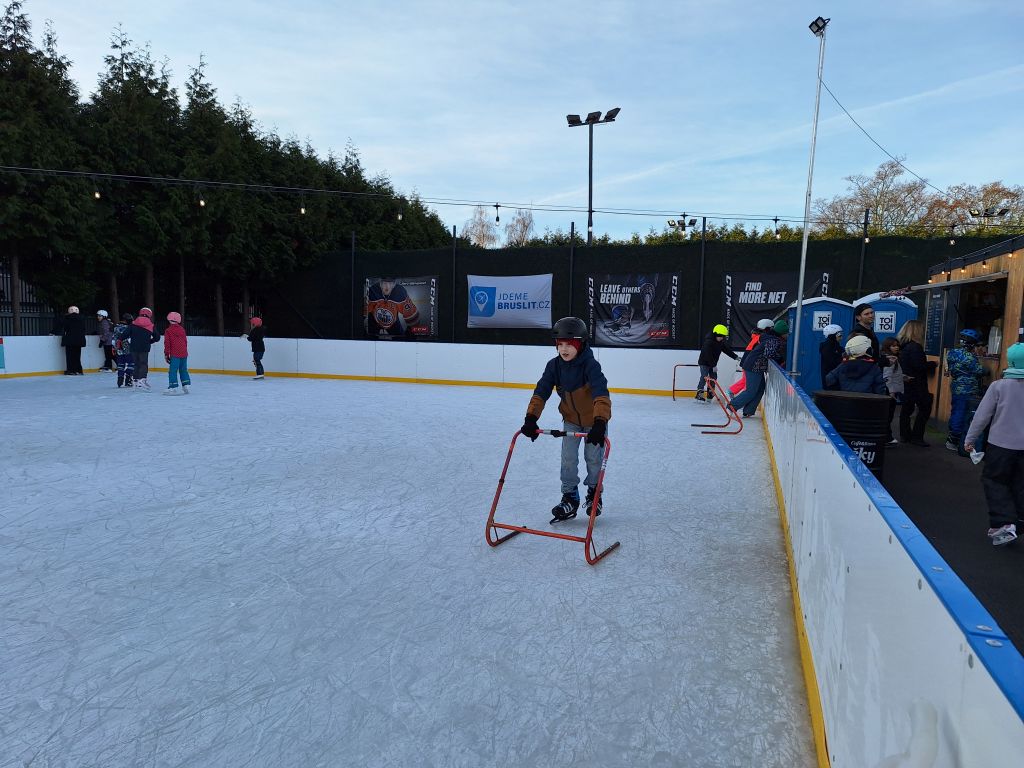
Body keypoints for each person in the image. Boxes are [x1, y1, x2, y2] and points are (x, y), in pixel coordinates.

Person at [520, 317, 612, 523]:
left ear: (580, 344)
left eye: (569, 344)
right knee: (568, 459)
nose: (564, 349)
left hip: (594, 422)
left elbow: (601, 394)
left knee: (593, 459)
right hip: (570, 419)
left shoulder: (591, 366)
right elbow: (541, 391)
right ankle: (570, 497)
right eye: (560, 344)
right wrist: (531, 417)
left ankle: (594, 495)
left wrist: (600, 422)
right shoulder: (554, 366)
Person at [965, 342, 1024, 547]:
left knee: (994, 481)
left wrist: (970, 439)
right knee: (1019, 483)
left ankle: (1004, 523)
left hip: (1000, 445)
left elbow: (982, 416)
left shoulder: (999, 386)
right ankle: (1019, 521)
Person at [728, 319, 789, 418]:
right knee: (751, 391)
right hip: (753, 366)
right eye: (786, 333)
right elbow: (769, 354)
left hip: (757, 367)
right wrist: (781, 360)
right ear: (782, 333)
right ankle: (732, 406)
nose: (787, 336)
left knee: (760, 389)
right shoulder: (773, 340)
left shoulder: (770, 338)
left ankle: (748, 410)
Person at [944, 329, 985, 452]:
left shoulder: (952, 353)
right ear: (972, 344)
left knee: (956, 411)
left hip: (956, 386)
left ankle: (952, 437)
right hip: (967, 389)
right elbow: (980, 370)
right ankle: (954, 440)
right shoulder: (969, 357)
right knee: (961, 413)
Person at [897, 320, 932, 447]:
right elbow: (919, 366)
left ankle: (905, 435)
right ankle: (917, 437)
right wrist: (932, 364)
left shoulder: (902, 346)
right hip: (916, 383)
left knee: (906, 409)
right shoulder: (915, 347)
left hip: (905, 381)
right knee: (925, 408)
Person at [729, 318, 773, 397]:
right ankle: (731, 391)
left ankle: (732, 392)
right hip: (749, 363)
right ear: (767, 328)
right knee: (746, 382)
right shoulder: (760, 338)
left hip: (747, 362)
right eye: (771, 328)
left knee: (746, 381)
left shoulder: (756, 336)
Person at [696, 323, 739, 402]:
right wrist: (713, 365)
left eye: (723, 337)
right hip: (704, 362)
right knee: (704, 377)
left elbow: (726, 350)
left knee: (713, 378)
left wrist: (735, 357)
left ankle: (710, 393)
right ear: (715, 334)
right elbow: (708, 355)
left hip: (713, 363)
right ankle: (699, 393)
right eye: (720, 336)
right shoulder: (708, 342)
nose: (721, 338)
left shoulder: (720, 342)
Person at [129, 307, 160, 391]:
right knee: (143, 364)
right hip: (144, 348)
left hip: (133, 347)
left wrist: (119, 340)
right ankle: (142, 380)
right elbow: (157, 337)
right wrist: (150, 341)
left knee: (136, 364)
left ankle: (135, 382)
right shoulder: (151, 325)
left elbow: (125, 334)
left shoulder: (133, 324)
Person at [880, 336, 904, 446]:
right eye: (893, 346)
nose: (896, 347)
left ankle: (887, 437)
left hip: (891, 390)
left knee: (888, 415)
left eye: (897, 345)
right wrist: (891, 391)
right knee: (888, 415)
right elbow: (887, 376)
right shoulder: (890, 359)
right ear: (887, 346)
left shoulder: (892, 358)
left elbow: (893, 374)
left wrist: (903, 377)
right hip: (890, 392)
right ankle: (886, 438)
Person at [163, 311, 191, 395]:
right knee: (183, 369)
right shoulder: (182, 329)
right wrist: (184, 350)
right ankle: (186, 385)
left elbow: (167, 343)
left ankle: (173, 387)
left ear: (169, 320)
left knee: (173, 370)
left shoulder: (168, 330)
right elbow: (185, 341)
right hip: (184, 353)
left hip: (175, 354)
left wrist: (166, 354)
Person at [55, 305, 85, 375]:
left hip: (70, 340)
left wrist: (53, 332)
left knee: (70, 356)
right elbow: (83, 329)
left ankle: (71, 370)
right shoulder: (82, 318)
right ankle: (79, 370)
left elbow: (62, 326)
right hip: (79, 340)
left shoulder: (67, 318)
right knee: (77, 356)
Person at [112, 312, 134, 388]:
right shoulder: (130, 328)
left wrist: (114, 348)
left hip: (119, 349)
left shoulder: (116, 328)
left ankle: (120, 378)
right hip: (129, 349)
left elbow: (114, 338)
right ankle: (128, 378)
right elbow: (131, 339)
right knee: (131, 364)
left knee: (120, 364)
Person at [819, 324, 844, 390]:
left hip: (836, 380)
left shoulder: (837, 347)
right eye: (839, 336)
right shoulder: (827, 348)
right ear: (832, 336)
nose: (841, 338)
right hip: (831, 382)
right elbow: (833, 362)